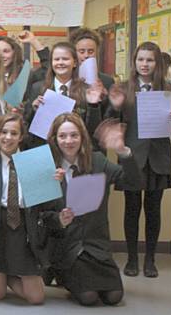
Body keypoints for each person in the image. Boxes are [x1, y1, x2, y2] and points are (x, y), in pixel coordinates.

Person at [0, 113, 69, 304]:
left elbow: (50, 206)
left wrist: (58, 183)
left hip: (24, 229)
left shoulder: (35, 163)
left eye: (13, 133)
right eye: (3, 132)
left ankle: (6, 275)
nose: (7, 137)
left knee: (36, 298)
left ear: (21, 136)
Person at [105, 42, 171, 278]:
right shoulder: (123, 89)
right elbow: (110, 120)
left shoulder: (167, 89)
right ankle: (131, 259)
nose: (145, 64)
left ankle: (150, 259)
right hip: (132, 157)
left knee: (153, 210)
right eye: (141, 60)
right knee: (131, 210)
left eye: (150, 60)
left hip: (157, 158)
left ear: (157, 63)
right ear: (134, 62)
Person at [47, 112, 139, 306]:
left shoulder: (98, 161)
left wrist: (123, 151)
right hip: (68, 247)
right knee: (88, 298)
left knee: (114, 297)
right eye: (62, 136)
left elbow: (133, 182)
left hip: (97, 246)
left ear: (82, 137)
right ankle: (63, 276)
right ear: (54, 139)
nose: (68, 141)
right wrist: (58, 219)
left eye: (74, 135)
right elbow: (39, 215)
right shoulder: (47, 167)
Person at [27, 42, 106, 148]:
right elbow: (27, 127)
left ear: (75, 63)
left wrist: (93, 105)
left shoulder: (86, 90)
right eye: (56, 59)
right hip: (46, 151)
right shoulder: (38, 88)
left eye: (65, 59)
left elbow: (93, 130)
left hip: (76, 151)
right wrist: (33, 110)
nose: (60, 62)